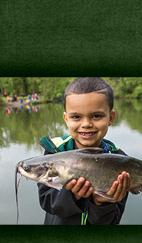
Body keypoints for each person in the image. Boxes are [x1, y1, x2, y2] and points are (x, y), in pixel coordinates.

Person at [35, 77, 133, 225]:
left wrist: (102, 203)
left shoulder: (119, 161)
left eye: (96, 116)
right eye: (76, 117)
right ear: (66, 118)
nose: (86, 124)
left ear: (111, 117)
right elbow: (47, 202)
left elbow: (112, 222)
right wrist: (72, 195)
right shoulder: (54, 152)